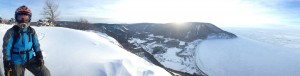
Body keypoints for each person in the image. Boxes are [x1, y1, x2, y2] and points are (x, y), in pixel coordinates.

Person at [2, 5, 51, 76]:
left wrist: (39, 55)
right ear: (16, 18)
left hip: (30, 58)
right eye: (20, 17)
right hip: (16, 60)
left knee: (45, 73)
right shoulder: (11, 32)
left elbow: (36, 45)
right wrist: (7, 63)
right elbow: (6, 49)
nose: (23, 20)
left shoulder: (31, 31)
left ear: (29, 18)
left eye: (25, 18)